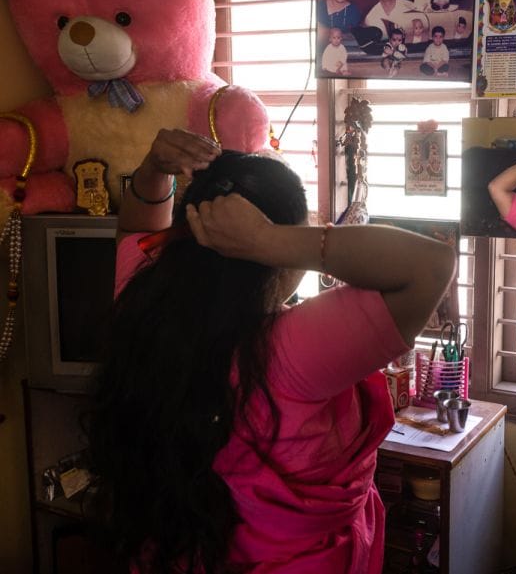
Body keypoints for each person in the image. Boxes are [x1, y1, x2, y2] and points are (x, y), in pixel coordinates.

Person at [84, 129, 456, 574]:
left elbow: (138, 227)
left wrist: (153, 169)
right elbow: (431, 265)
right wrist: (267, 241)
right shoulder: (288, 351)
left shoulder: (144, 301)